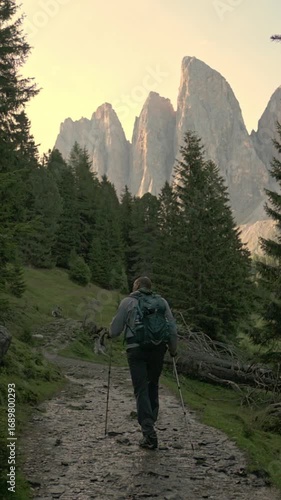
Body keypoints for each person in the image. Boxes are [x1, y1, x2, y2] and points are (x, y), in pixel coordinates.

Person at [109, 276, 177, 450]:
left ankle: (148, 432)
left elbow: (115, 331)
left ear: (137, 286)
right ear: (150, 287)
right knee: (152, 384)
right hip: (158, 350)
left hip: (136, 350)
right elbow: (172, 326)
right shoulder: (162, 302)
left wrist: (111, 330)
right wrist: (173, 349)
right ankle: (151, 422)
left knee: (141, 389)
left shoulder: (128, 302)